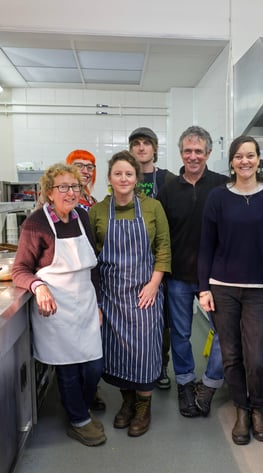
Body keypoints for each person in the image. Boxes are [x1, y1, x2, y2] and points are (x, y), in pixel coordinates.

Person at [198, 135, 263, 445]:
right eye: (238, 156)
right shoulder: (217, 198)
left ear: (259, 160)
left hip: (259, 290)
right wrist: (203, 289)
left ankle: (258, 408)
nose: (244, 161)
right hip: (222, 288)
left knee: (257, 357)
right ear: (232, 162)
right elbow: (206, 246)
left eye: (250, 155)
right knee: (232, 356)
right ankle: (241, 409)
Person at [11, 162, 106, 447]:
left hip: (85, 302)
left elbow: (93, 267)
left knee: (93, 366)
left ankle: (81, 408)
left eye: (75, 186)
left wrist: (99, 303)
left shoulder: (82, 218)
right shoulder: (36, 223)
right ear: (49, 193)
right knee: (67, 367)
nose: (70, 192)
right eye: (62, 187)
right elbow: (20, 270)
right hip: (56, 306)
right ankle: (78, 420)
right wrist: (38, 287)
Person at [88, 150, 171, 437]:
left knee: (146, 351)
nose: (123, 178)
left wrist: (154, 284)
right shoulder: (97, 211)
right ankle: (127, 403)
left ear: (137, 178)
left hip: (145, 292)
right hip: (112, 295)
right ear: (109, 178)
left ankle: (143, 407)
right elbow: (91, 258)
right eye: (118, 173)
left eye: (129, 174)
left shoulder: (152, 207)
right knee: (118, 353)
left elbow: (163, 248)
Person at [157, 125, 228, 418]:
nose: (193, 156)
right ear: (180, 153)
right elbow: (160, 234)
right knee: (181, 335)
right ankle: (185, 383)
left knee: (224, 332)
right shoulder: (169, 189)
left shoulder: (224, 186)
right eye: (188, 150)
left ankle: (209, 385)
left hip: (216, 278)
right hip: (178, 277)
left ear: (208, 153)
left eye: (199, 151)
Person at [129, 126, 176, 390]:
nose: (141, 147)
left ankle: (161, 366)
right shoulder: (124, 177)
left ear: (155, 149)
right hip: (133, 261)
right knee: (137, 316)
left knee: (163, 318)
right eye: (136, 143)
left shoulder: (168, 179)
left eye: (147, 143)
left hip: (161, 259)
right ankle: (138, 364)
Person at [65, 147, 106, 413]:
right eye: (79, 165)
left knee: (91, 342)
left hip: (92, 277)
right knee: (73, 345)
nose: (86, 170)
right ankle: (78, 399)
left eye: (90, 166)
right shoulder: (63, 199)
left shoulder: (91, 200)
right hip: (69, 281)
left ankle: (89, 391)